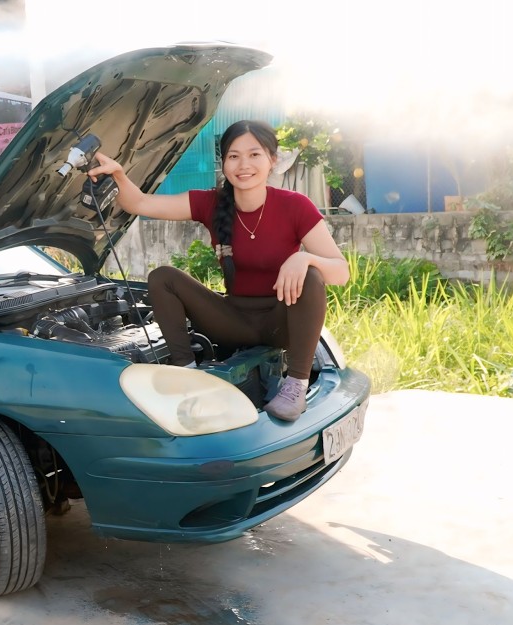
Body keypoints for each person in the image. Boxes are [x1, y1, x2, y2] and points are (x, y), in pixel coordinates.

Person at [87, 119, 349, 422]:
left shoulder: (295, 206)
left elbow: (340, 272)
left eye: (254, 154)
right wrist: (118, 174)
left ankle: (296, 386)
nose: (244, 165)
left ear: (272, 160)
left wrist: (304, 259)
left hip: (281, 323)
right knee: (163, 278)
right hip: (232, 320)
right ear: (223, 162)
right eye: (234, 156)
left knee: (312, 275)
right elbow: (141, 203)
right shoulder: (211, 203)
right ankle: (187, 375)